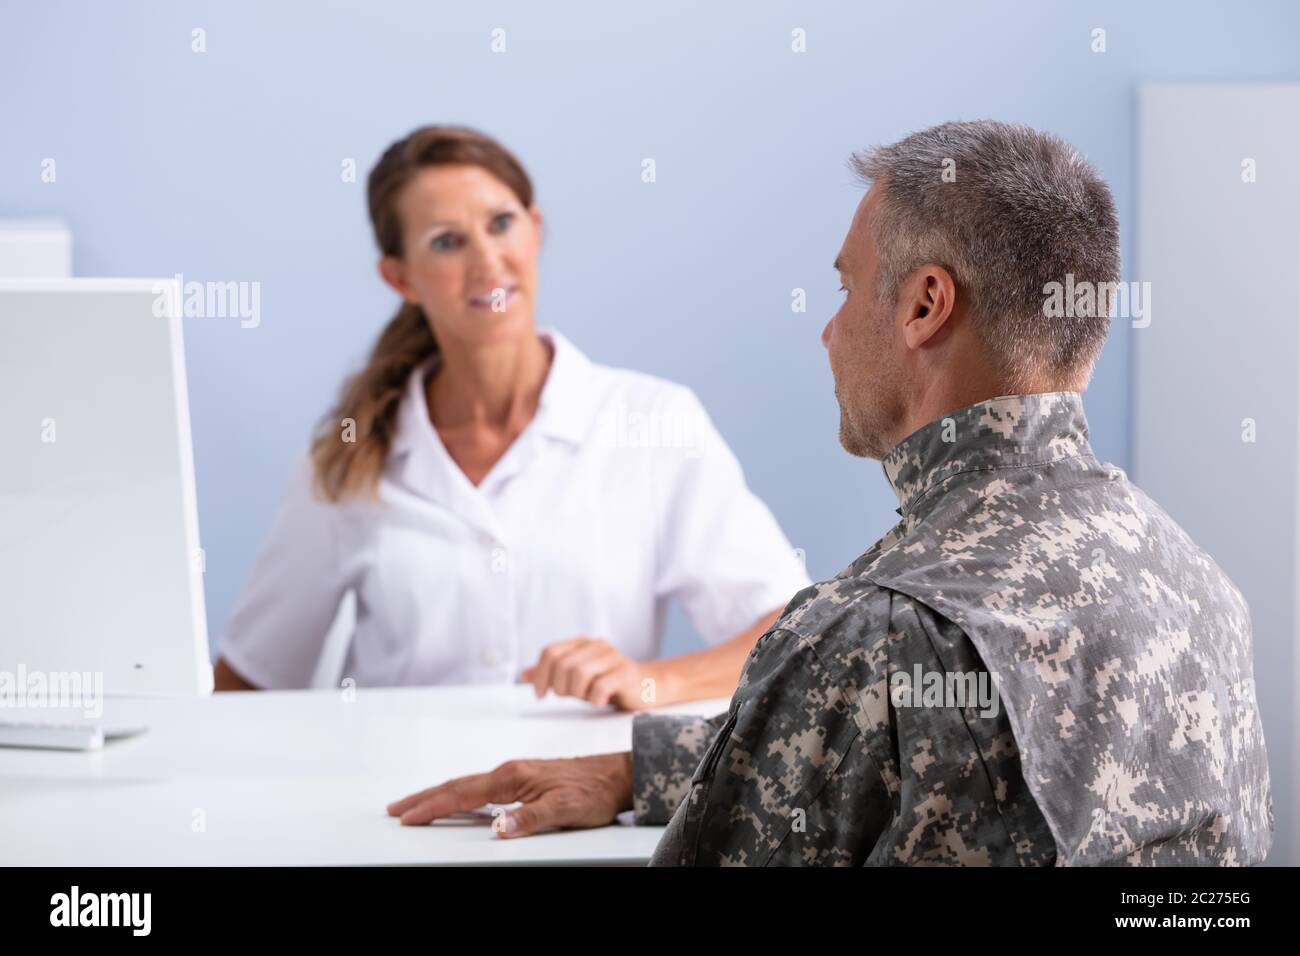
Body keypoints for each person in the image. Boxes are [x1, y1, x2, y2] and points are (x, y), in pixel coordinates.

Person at [386, 120, 1275, 866]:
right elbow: (946, 759)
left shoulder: (871, 633)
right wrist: (639, 766)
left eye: (845, 286)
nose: (827, 329)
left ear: (926, 305)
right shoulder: (1196, 584)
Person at [213, 125, 809, 709]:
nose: (487, 263)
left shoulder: (653, 422)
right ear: (400, 278)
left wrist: (653, 681)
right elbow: (247, 682)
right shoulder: (348, 458)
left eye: (501, 224)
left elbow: (791, 628)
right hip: (392, 803)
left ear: (536, 230)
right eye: (447, 241)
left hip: (586, 804)